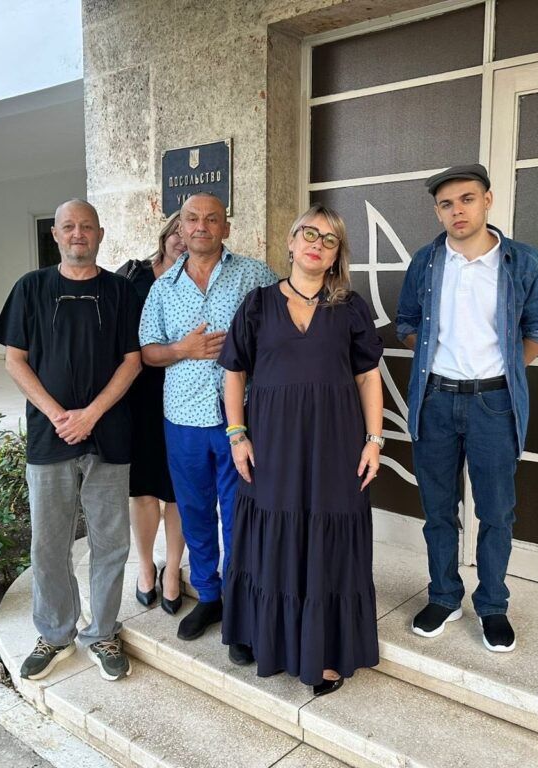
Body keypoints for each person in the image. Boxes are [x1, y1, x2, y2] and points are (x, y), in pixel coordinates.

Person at [219, 204, 384, 695]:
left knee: (328, 537)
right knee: (272, 533)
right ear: (291, 242)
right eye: (309, 234)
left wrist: (375, 441)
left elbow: (368, 376)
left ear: (336, 256)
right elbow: (234, 372)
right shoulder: (257, 304)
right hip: (272, 445)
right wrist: (237, 434)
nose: (317, 244)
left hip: (336, 445)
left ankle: (326, 650)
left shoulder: (350, 308)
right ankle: (263, 635)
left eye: (329, 240)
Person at [395, 164, 538, 653]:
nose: (457, 211)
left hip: (494, 403)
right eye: (446, 204)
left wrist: (505, 367)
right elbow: (407, 323)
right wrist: (438, 360)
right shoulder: (426, 262)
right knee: (438, 510)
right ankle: (444, 596)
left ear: (487, 200)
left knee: (496, 512)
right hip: (435, 400)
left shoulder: (523, 262)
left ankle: (492, 606)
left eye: (467, 199)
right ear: (437, 212)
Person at [0, 199, 141, 681]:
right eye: (69, 227)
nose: (78, 234)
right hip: (49, 436)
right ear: (55, 235)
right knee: (49, 544)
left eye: (87, 226)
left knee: (111, 543)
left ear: (100, 234)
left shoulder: (121, 290)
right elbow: (15, 359)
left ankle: (102, 632)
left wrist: (91, 415)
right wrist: (59, 416)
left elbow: (132, 361)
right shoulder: (30, 288)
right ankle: (55, 634)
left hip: (109, 436)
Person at [139, 192, 279, 644]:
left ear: (226, 228)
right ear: (180, 228)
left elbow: (281, 332)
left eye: (212, 219)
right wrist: (183, 349)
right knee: (195, 512)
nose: (201, 226)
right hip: (182, 419)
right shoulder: (163, 288)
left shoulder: (255, 275)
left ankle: (240, 605)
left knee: (240, 514)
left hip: (241, 420)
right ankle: (209, 595)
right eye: (192, 219)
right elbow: (148, 352)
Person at [116, 215, 186, 615]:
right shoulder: (133, 277)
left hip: (184, 396)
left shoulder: (196, 281)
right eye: (177, 230)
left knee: (178, 490)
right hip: (137, 396)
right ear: (165, 234)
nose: (182, 239)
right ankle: (146, 566)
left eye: (189, 233)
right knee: (142, 489)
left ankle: (172, 569)